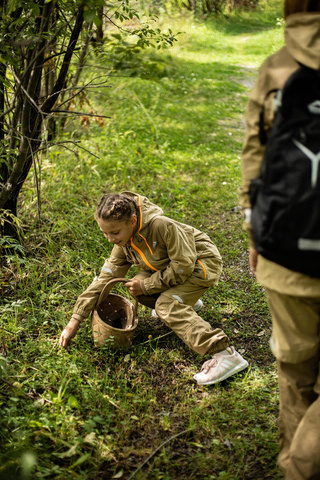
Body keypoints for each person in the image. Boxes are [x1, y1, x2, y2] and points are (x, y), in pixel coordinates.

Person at [240, 1, 320, 478]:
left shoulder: (277, 67)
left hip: (286, 254)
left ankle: (295, 466)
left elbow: (256, 156)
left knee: (294, 370)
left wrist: (256, 233)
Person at [59, 191, 248, 385]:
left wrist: (147, 285)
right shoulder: (124, 240)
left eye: (114, 232)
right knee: (135, 285)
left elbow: (183, 266)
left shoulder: (162, 226)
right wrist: (76, 319)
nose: (109, 239)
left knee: (165, 306)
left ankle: (224, 355)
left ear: (133, 220)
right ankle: (186, 300)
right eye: (105, 233)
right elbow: (105, 278)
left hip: (200, 264)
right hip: (170, 268)